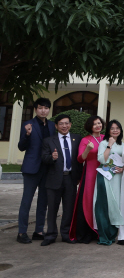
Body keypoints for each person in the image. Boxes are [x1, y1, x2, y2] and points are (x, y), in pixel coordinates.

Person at [16, 97, 55, 244]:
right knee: (26, 201)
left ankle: (39, 231)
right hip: (31, 168)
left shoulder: (52, 125)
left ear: (48, 110)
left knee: (43, 201)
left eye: (46, 108)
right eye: (40, 108)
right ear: (35, 109)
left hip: (47, 168)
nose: (43, 110)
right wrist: (26, 135)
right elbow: (21, 147)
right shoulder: (28, 124)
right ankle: (21, 232)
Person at [40, 114, 82, 246]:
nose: (64, 126)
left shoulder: (77, 139)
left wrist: (79, 177)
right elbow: (44, 158)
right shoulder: (49, 141)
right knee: (52, 208)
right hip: (54, 179)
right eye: (61, 124)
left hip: (70, 178)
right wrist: (52, 157)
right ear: (56, 126)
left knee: (68, 208)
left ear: (70, 124)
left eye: (67, 123)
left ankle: (66, 234)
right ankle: (51, 234)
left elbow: (80, 159)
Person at [70, 115, 104, 243]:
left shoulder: (105, 138)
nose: (97, 126)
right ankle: (87, 232)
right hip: (90, 173)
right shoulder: (85, 140)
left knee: (101, 202)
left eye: (99, 123)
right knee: (88, 201)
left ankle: (101, 230)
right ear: (90, 126)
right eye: (94, 124)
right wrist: (88, 149)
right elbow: (80, 159)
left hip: (105, 174)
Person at [94, 120, 124, 245]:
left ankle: (113, 234)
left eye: (118, 128)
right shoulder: (104, 143)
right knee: (104, 205)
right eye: (112, 128)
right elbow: (101, 159)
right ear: (108, 131)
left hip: (117, 177)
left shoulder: (123, 145)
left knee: (115, 204)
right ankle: (104, 235)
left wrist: (122, 169)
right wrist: (109, 146)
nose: (115, 130)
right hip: (105, 176)